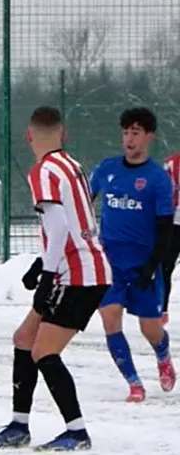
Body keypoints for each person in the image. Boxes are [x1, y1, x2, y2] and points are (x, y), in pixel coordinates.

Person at [0, 106, 110, 451]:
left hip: (78, 275)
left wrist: (47, 276)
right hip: (84, 268)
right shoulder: (72, 165)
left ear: (28, 136)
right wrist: (42, 264)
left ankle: (77, 431)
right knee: (24, 338)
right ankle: (18, 425)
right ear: (63, 133)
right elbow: (69, 223)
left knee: (43, 350)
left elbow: (58, 228)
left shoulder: (43, 171)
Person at [85, 108, 174, 402]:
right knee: (110, 318)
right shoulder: (107, 169)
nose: (129, 139)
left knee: (150, 329)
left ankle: (163, 355)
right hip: (111, 262)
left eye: (136, 132)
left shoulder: (159, 179)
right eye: (126, 133)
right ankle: (134, 384)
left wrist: (153, 264)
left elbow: (165, 228)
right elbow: (83, 201)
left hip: (143, 263)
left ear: (149, 136)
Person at [161, 150, 180, 323]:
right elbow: (164, 194)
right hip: (174, 225)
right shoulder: (172, 163)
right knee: (165, 267)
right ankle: (162, 310)